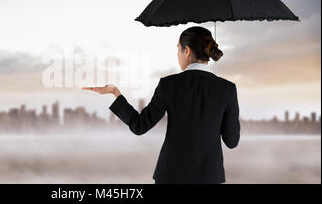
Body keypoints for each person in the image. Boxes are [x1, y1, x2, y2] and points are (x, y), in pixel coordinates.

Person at [82, 26, 240, 184]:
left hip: (170, 176)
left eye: (178, 49)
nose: (178, 54)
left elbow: (139, 126)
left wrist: (115, 92)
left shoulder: (168, 85)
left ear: (187, 51)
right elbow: (232, 141)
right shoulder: (227, 89)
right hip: (210, 177)